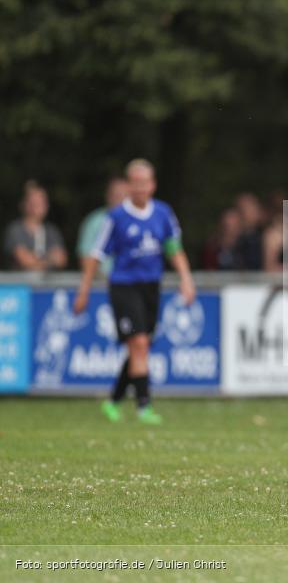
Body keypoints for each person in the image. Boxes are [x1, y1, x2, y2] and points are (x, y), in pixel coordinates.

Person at [74, 159, 196, 424]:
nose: (140, 188)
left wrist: (186, 279)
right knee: (139, 344)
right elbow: (95, 256)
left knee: (139, 348)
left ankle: (113, 401)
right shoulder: (116, 218)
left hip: (151, 287)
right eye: (135, 183)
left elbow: (173, 248)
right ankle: (144, 406)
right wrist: (83, 291)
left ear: (152, 185)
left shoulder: (163, 213)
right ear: (129, 186)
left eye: (145, 183)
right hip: (124, 286)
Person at [3, 180, 68, 271]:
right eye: (35, 202)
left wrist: (35, 259)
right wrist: (50, 259)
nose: (41, 206)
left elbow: (62, 260)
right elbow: (24, 260)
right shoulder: (15, 230)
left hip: (49, 285)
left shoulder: (52, 230)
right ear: (25, 204)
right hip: (20, 284)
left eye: (43, 202)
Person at [77, 177, 128, 275]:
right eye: (117, 195)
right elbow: (85, 259)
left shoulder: (138, 221)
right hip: (102, 284)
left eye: (125, 196)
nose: (121, 201)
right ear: (108, 196)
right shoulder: (94, 222)